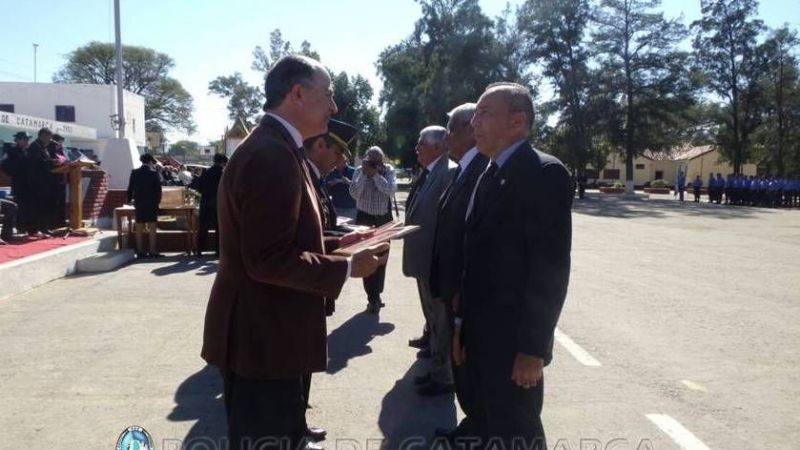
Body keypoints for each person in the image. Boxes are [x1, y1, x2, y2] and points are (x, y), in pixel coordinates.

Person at [200, 55, 388, 450]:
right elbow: (267, 258)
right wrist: (347, 267)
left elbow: (285, 240)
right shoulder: (271, 154)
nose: (334, 108)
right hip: (263, 342)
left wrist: (341, 246)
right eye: (329, 96)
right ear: (297, 93)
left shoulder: (281, 147)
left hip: (270, 340)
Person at [455, 82, 572, 450]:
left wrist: (533, 350)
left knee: (516, 432)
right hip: (480, 337)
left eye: (484, 113)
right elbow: (475, 259)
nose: (474, 122)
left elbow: (549, 271)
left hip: (512, 345)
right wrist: (461, 326)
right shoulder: (489, 172)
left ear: (518, 121)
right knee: (488, 424)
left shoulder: (542, 173)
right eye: (475, 113)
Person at [429, 103, 488, 439]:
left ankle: (477, 431)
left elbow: (472, 239)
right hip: (451, 287)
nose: (446, 137)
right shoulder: (464, 168)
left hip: (461, 292)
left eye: (451, 129)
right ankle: (472, 427)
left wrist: (459, 290)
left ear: (469, 129)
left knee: (469, 366)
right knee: (463, 368)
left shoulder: (480, 168)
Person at [403, 125, 458, 395]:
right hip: (423, 259)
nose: (416, 148)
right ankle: (436, 362)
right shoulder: (431, 171)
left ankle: (443, 377)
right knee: (433, 318)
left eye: (420, 143)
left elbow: (446, 221)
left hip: (434, 261)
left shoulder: (448, 172)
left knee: (441, 319)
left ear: (437, 146)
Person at [349, 146, 397, 313]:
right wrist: (364, 174)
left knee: (382, 259)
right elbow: (354, 193)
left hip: (383, 220)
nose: (374, 164)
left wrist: (376, 175)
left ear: (381, 160)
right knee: (366, 258)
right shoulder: (359, 171)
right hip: (364, 219)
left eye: (377, 160)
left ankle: (376, 295)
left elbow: (391, 190)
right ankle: (372, 297)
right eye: (371, 160)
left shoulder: (388, 170)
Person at [304, 119, 358, 237]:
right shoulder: (300, 178)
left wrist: (357, 235)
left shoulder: (317, 178)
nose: (339, 160)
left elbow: (327, 228)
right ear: (320, 145)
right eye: (338, 153)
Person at [126, 153, 163, 258]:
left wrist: (129, 200)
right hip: (151, 203)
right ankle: (152, 251)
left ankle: (140, 251)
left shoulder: (134, 172)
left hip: (139, 202)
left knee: (139, 227)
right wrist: (158, 201)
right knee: (152, 227)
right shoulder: (153, 173)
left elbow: (130, 188)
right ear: (150, 162)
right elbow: (158, 190)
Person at [22, 128, 56, 237]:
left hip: (44, 182)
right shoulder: (34, 146)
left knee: (44, 206)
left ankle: (44, 228)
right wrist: (51, 161)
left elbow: (45, 161)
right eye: (49, 137)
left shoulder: (43, 147)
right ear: (42, 136)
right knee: (36, 207)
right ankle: (34, 230)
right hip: (36, 182)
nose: (50, 140)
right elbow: (37, 163)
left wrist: (53, 162)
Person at [195, 153, 228, 257]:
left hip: (205, 201)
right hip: (219, 202)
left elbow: (198, 187)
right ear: (223, 162)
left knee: (203, 226)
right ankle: (218, 251)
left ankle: (199, 249)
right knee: (220, 227)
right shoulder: (224, 174)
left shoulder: (206, 172)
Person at [0, 132, 29, 231]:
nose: (26, 142)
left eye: (27, 139)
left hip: (27, 182)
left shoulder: (25, 151)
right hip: (18, 182)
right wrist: (13, 172)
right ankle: (18, 227)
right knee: (17, 205)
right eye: (24, 139)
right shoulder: (11, 151)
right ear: (18, 140)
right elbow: (4, 165)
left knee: (25, 206)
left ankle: (23, 227)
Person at [325, 148, 357, 221]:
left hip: (350, 208)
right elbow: (326, 190)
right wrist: (329, 184)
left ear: (345, 160)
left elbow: (359, 188)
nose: (336, 163)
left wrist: (348, 182)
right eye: (336, 161)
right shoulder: (332, 173)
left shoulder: (353, 171)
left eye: (339, 161)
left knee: (349, 229)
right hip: (336, 208)